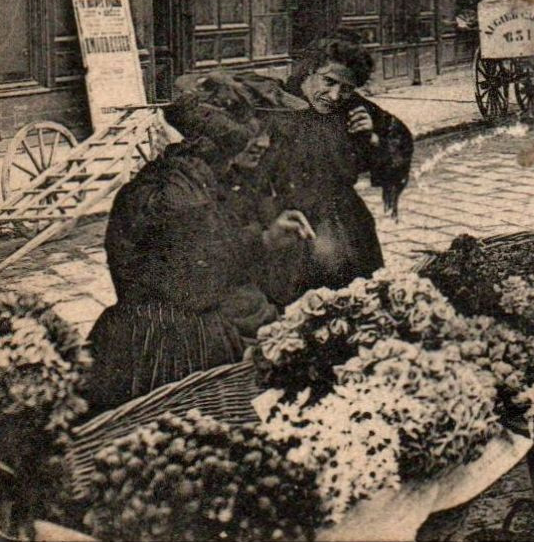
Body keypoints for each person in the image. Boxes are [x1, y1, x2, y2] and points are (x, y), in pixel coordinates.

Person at [84, 73, 315, 412]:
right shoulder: (185, 198)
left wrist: (262, 241)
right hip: (170, 344)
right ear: (219, 149)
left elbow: (200, 259)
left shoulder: (175, 181)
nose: (262, 147)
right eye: (249, 140)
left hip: (144, 328)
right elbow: (202, 285)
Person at [260, 35, 413, 300]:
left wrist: (371, 138)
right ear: (309, 70)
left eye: (346, 88)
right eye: (328, 82)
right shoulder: (276, 106)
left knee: (358, 299)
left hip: (347, 220)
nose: (335, 96)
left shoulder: (353, 108)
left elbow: (397, 142)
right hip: (290, 222)